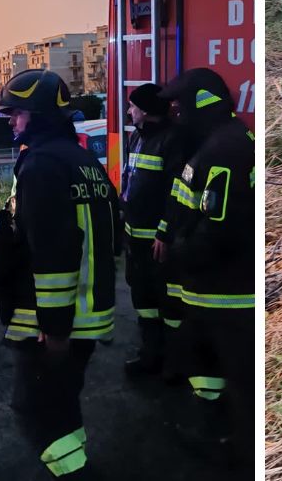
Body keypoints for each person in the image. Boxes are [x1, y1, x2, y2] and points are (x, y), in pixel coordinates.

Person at [0, 69, 116, 479]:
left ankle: (75, 475)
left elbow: (54, 253)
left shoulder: (41, 165)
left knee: (35, 408)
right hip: (87, 312)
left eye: (17, 113)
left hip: (55, 321)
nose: (11, 121)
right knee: (62, 403)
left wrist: (55, 327)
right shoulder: (83, 162)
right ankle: (76, 462)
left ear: (39, 115)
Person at [158, 68, 255, 468]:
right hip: (212, 290)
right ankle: (221, 435)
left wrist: (180, 255)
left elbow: (219, 226)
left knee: (243, 383)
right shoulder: (214, 143)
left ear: (202, 103)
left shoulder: (224, 150)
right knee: (215, 369)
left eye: (180, 103)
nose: (175, 110)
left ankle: (242, 454)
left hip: (226, 293)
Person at [119, 83, 182, 377]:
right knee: (143, 300)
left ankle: (174, 362)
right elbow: (131, 181)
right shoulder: (137, 137)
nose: (129, 111)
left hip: (157, 241)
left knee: (166, 303)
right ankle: (150, 355)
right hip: (134, 236)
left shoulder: (172, 140)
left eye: (132, 106)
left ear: (144, 111)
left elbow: (176, 191)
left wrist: (165, 232)